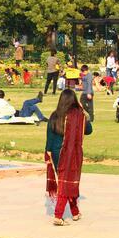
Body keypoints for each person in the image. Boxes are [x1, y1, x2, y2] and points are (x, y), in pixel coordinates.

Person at [45, 89, 93, 226]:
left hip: (55, 152)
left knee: (66, 181)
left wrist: (48, 151)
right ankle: (58, 216)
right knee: (66, 184)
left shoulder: (54, 115)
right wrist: (84, 114)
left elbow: (49, 136)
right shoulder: (78, 116)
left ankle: (75, 212)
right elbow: (89, 130)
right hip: (71, 154)